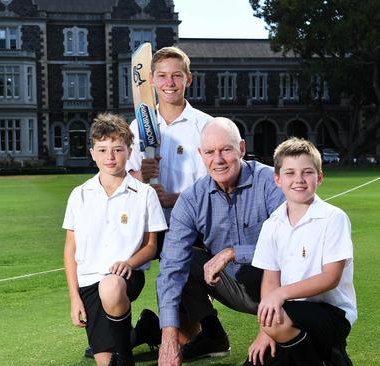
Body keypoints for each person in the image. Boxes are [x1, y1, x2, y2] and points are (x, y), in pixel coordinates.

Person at [156, 117, 286, 365]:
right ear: (200, 155)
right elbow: (171, 268)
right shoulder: (191, 199)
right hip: (234, 287)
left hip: (281, 289)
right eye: (209, 152)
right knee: (184, 262)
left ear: (242, 149)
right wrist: (168, 338)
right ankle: (213, 337)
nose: (218, 159)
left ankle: (288, 333)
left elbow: (291, 247)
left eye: (226, 149)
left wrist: (232, 252)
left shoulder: (272, 182)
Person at [62, 113, 167, 366]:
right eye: (103, 149)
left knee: (110, 286)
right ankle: (144, 330)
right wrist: (74, 297)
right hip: (89, 283)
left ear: (129, 152)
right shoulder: (79, 195)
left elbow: (151, 246)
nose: (110, 157)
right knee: (104, 362)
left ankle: (126, 357)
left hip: (126, 278)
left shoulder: (144, 194)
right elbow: (70, 250)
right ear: (92, 153)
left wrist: (129, 264)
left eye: (118, 149)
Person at [126, 46, 213, 350]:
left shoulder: (206, 125)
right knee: (117, 268)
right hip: (149, 224)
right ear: (151, 80)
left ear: (188, 79)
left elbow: (214, 183)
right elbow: (121, 180)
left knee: (183, 272)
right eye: (162, 76)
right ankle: (115, 336)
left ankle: (196, 333)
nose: (169, 82)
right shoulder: (139, 126)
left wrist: (176, 198)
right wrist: (139, 175)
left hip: (192, 224)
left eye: (177, 75)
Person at [248, 137, 356, 365]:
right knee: (256, 361)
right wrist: (264, 332)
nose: (298, 180)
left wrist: (280, 295)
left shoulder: (333, 218)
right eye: (289, 173)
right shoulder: (272, 223)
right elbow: (270, 279)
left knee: (277, 319)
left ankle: (330, 353)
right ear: (277, 179)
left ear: (319, 177)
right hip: (288, 315)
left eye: (307, 172)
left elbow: (331, 277)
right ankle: (331, 358)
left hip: (332, 313)